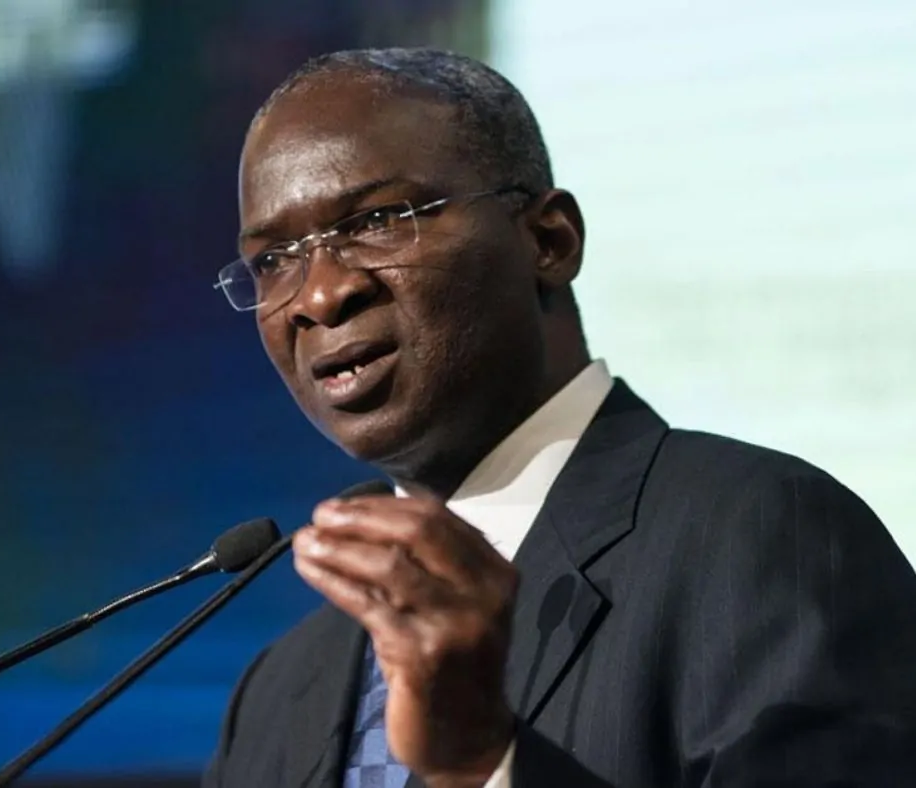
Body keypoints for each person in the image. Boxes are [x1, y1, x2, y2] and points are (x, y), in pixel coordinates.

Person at [203, 48, 916, 788]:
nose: (320, 296)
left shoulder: (768, 537)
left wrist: (484, 764)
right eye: (274, 260)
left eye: (378, 220)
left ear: (549, 241)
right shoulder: (277, 694)